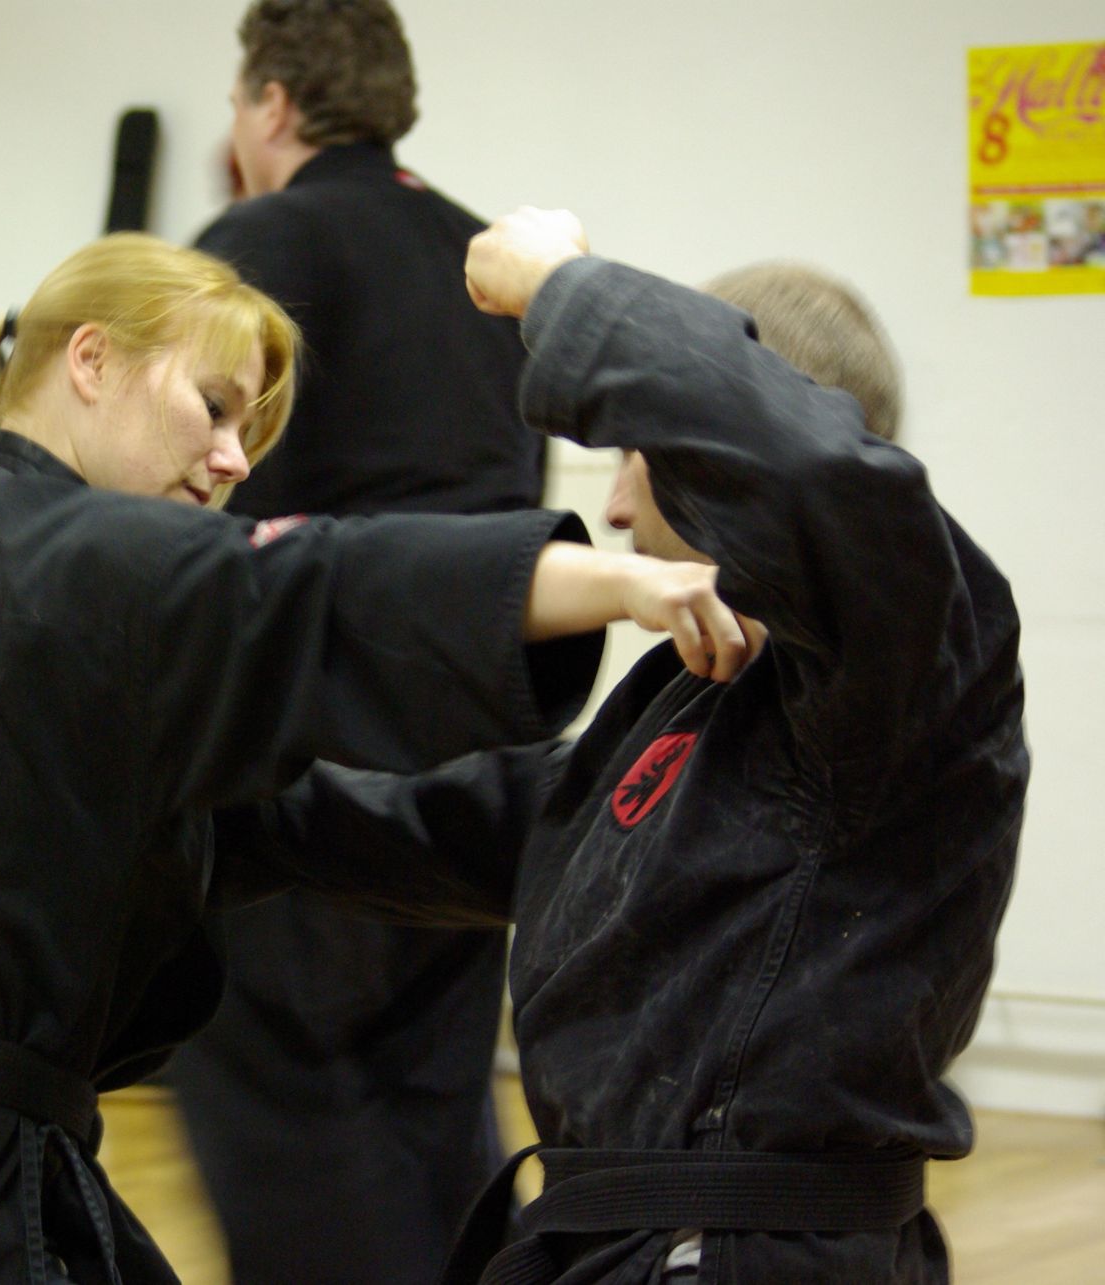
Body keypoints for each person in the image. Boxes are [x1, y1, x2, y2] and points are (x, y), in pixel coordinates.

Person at [0, 233, 754, 1283]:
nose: (235, 460)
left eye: (250, 434)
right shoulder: (58, 558)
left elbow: (340, 822)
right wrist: (622, 584)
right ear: (89, 360)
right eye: (215, 407)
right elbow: (318, 581)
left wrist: (658, 817)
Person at [246, 208, 1027, 1283]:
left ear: (724, 454)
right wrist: (205, 789)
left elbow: (806, 467)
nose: (613, 507)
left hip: (745, 1255)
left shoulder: (914, 657)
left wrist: (566, 289)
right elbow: (464, 823)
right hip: (633, 1240)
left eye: (638, 458)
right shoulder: (698, 695)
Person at [169, 5, 536, 1278]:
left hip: (317, 742)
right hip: (480, 746)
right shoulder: (484, 254)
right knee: (433, 1105)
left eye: (235, 104)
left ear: (272, 104)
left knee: (281, 1099)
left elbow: (180, 491)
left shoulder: (264, 241)